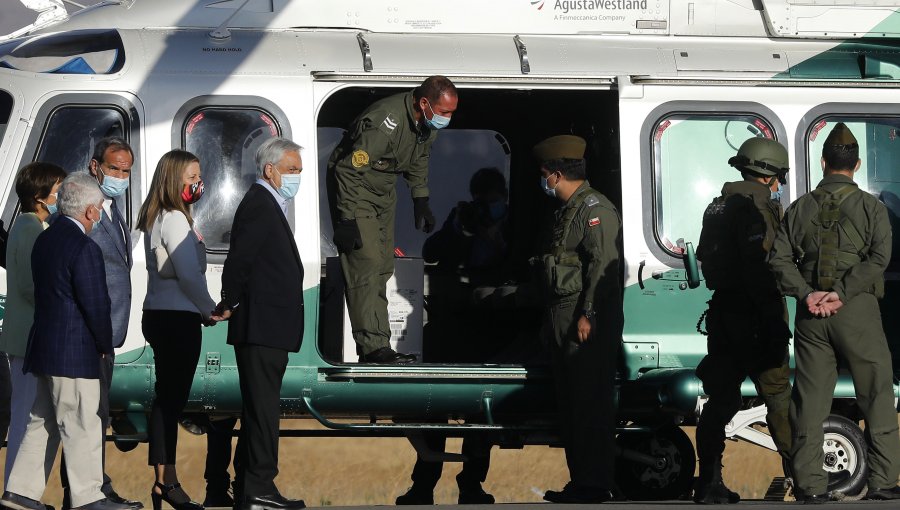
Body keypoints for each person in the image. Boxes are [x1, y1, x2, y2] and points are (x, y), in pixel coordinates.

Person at [769, 123, 900, 502]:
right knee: (875, 392)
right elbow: (879, 258)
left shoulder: (798, 208)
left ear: (823, 162)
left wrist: (808, 294)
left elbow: (778, 260)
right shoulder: (872, 208)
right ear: (856, 164)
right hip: (856, 310)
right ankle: (882, 481)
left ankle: (809, 485)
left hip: (811, 316)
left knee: (809, 400)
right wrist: (841, 293)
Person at [0, 172, 129, 510]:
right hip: (73, 352)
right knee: (82, 422)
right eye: (98, 208)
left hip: (43, 347)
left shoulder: (47, 238)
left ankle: (20, 494)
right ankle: (89, 498)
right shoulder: (84, 246)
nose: (99, 214)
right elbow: (95, 303)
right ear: (89, 211)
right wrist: (105, 343)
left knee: (42, 422)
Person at [395, 168, 510, 506]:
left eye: (492, 199)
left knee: (480, 410)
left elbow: (513, 259)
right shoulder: (464, 217)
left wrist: (494, 233)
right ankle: (423, 485)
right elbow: (431, 250)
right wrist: (460, 228)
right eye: (481, 198)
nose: (486, 205)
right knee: (436, 405)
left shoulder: (512, 222)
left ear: (503, 196)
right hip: (451, 321)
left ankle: (471, 484)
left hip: (488, 322)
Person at [326, 75, 459, 364]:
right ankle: (373, 348)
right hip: (357, 188)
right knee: (366, 264)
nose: (448, 118)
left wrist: (420, 198)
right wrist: (347, 218)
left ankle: (378, 343)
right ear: (424, 103)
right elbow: (348, 170)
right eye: (444, 112)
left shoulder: (425, 124)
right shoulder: (384, 125)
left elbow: (420, 157)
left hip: (384, 190)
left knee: (384, 265)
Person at [693, 138, 793, 504]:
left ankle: (708, 483)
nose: (780, 183)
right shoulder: (757, 208)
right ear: (769, 174)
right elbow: (759, 268)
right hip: (755, 314)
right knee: (779, 396)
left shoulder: (716, 206)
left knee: (720, 400)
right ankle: (804, 480)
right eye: (779, 176)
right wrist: (772, 319)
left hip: (723, 313)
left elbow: (706, 255)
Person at [215, 137, 306, 510]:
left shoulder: (270, 203)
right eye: (292, 170)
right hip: (262, 325)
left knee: (258, 408)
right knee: (264, 409)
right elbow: (241, 260)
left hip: (268, 325)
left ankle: (249, 486)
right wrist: (230, 301)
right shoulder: (260, 204)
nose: (297, 177)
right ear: (270, 170)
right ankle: (260, 488)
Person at [533, 135, 622, 504]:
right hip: (562, 316)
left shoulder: (593, 208)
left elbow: (601, 268)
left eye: (544, 175)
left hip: (582, 318)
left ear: (555, 174)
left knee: (589, 402)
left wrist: (589, 314)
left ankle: (595, 482)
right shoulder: (566, 211)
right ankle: (582, 480)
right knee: (571, 405)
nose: (543, 182)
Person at [59, 137, 142, 510]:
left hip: (107, 328)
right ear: (95, 167)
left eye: (126, 171)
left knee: (98, 413)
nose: (121, 177)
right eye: (114, 169)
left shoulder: (113, 210)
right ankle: (86, 493)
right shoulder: (83, 213)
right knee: (88, 415)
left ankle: (96, 487)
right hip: (92, 330)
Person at [136, 150, 220, 510]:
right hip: (177, 318)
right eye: (191, 177)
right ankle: (166, 482)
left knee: (166, 400)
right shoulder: (174, 220)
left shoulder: (160, 216)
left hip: (159, 313)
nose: (197, 184)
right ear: (173, 179)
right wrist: (210, 309)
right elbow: (187, 273)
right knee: (171, 402)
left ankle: (164, 481)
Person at [0, 162, 67, 485]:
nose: (62, 196)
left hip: (27, 336)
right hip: (28, 337)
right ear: (40, 196)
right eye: (57, 190)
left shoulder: (31, 226)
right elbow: (30, 285)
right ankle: (16, 490)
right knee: (26, 418)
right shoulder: (30, 229)